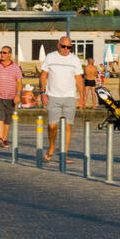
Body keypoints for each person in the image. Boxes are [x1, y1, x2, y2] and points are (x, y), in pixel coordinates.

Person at [39, 34, 83, 164]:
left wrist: (82, 98)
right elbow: (43, 76)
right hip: (53, 96)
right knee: (52, 126)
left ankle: (64, 153)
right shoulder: (50, 57)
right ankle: (52, 147)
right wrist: (42, 92)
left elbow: (79, 80)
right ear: (58, 45)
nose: (66, 49)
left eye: (69, 47)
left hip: (70, 96)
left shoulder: (75, 60)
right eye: (63, 46)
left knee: (68, 126)